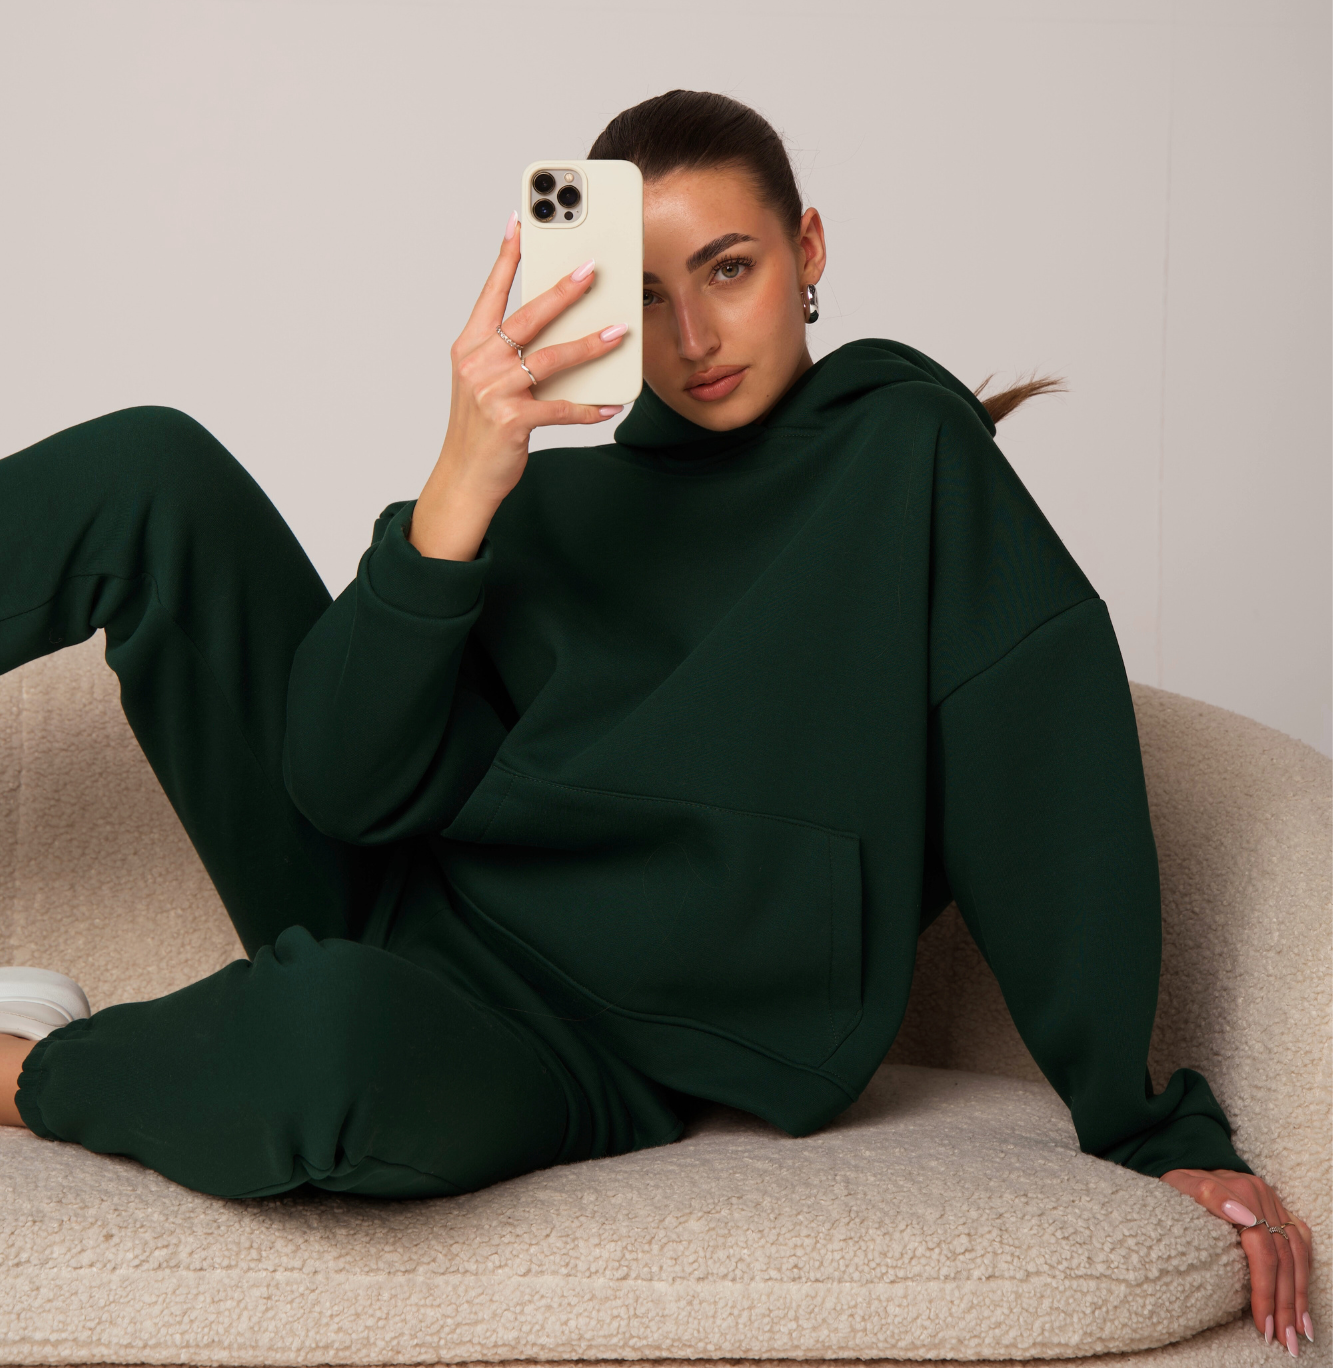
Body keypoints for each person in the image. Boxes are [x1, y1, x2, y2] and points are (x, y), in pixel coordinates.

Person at [0, 89, 1312, 1352]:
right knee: (148, 469)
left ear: (808, 249)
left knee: (327, 1048)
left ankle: (22, 1059)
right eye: (638, 294)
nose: (692, 335)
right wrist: (460, 485)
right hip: (389, 888)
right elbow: (335, 788)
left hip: (561, 1044)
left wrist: (1149, 1128)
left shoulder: (911, 467)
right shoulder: (546, 505)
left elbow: (1039, 774)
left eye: (728, 269)